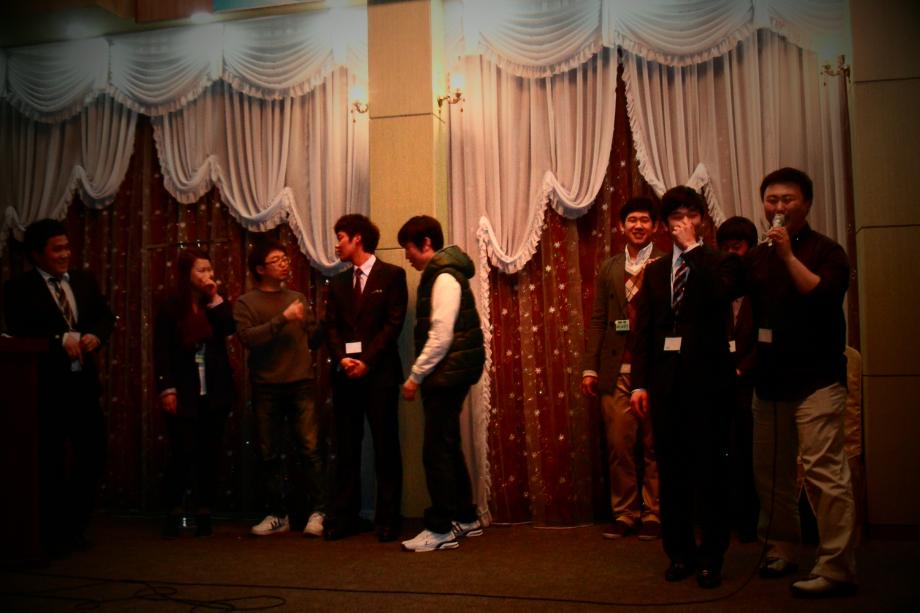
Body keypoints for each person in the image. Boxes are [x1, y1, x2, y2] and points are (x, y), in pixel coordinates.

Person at [746, 167, 857, 597]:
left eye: (787, 199)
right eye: (772, 200)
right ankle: (782, 548)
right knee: (770, 473)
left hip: (817, 379)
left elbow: (823, 296)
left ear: (806, 204)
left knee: (823, 473)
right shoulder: (758, 255)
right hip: (770, 380)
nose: (778, 207)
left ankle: (837, 566)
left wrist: (788, 255)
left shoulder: (828, 251)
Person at [629, 186, 743, 588]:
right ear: (664, 225)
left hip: (710, 384)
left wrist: (694, 249)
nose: (683, 222)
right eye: (676, 215)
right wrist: (639, 384)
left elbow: (721, 293)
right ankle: (679, 554)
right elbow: (644, 332)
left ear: (702, 220)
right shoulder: (656, 271)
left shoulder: (722, 262)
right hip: (666, 386)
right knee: (672, 472)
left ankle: (712, 557)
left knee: (710, 473)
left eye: (691, 214)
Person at [3, 218, 115, 558]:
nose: (65, 254)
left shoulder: (82, 280)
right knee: (48, 462)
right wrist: (57, 340)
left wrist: (96, 335)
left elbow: (104, 316)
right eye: (57, 249)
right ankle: (49, 532)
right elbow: (19, 331)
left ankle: (74, 524)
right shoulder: (18, 288)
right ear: (37, 254)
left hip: (83, 387)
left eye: (67, 247)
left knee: (93, 456)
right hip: (44, 389)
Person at [397, 215, 486, 552]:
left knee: (436, 451)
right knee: (447, 446)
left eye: (408, 248)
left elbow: (440, 336)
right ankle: (465, 517)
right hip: (452, 372)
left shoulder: (444, 276)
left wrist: (415, 376)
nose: (406, 255)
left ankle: (441, 528)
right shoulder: (445, 273)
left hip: (445, 374)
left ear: (426, 244)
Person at [582, 196, 665, 540]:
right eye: (632, 220)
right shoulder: (610, 268)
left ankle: (654, 513)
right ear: (621, 226)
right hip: (616, 369)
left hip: (657, 369)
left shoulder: (668, 263)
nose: (638, 226)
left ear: (655, 226)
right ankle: (625, 513)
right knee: (619, 446)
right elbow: (599, 319)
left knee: (656, 445)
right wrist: (590, 367)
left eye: (645, 220)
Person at [233, 238, 326, 537]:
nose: (284, 264)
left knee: (310, 449)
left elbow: (312, 339)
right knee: (268, 453)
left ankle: (319, 512)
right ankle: (277, 514)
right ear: (260, 269)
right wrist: (282, 319)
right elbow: (248, 338)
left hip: (301, 383)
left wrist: (320, 323)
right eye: (277, 260)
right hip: (267, 387)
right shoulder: (246, 303)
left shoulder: (297, 297)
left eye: (285, 259)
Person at [324, 214, 408, 542]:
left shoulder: (393, 275)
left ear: (357, 238)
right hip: (345, 375)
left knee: (386, 446)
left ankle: (388, 519)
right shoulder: (337, 283)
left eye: (340, 237)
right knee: (346, 448)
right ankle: (345, 517)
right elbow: (331, 326)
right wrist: (341, 358)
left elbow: (393, 324)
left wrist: (367, 361)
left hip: (380, 375)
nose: (337, 245)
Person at [154, 249, 236, 538]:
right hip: (183, 389)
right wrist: (166, 388)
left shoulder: (213, 304)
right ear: (186, 273)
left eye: (210, 270)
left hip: (213, 390)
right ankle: (174, 510)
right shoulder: (170, 307)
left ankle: (204, 511)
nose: (207, 275)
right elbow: (161, 350)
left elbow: (229, 327)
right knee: (182, 451)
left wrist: (214, 298)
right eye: (201, 270)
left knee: (210, 453)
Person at [716, 216, 760, 543]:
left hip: (752, 386)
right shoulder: (716, 290)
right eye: (726, 248)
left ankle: (751, 520)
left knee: (750, 454)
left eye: (738, 246)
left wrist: (743, 368)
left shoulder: (761, 288)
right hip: (719, 385)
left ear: (751, 248)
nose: (732, 254)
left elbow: (769, 336)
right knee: (722, 453)